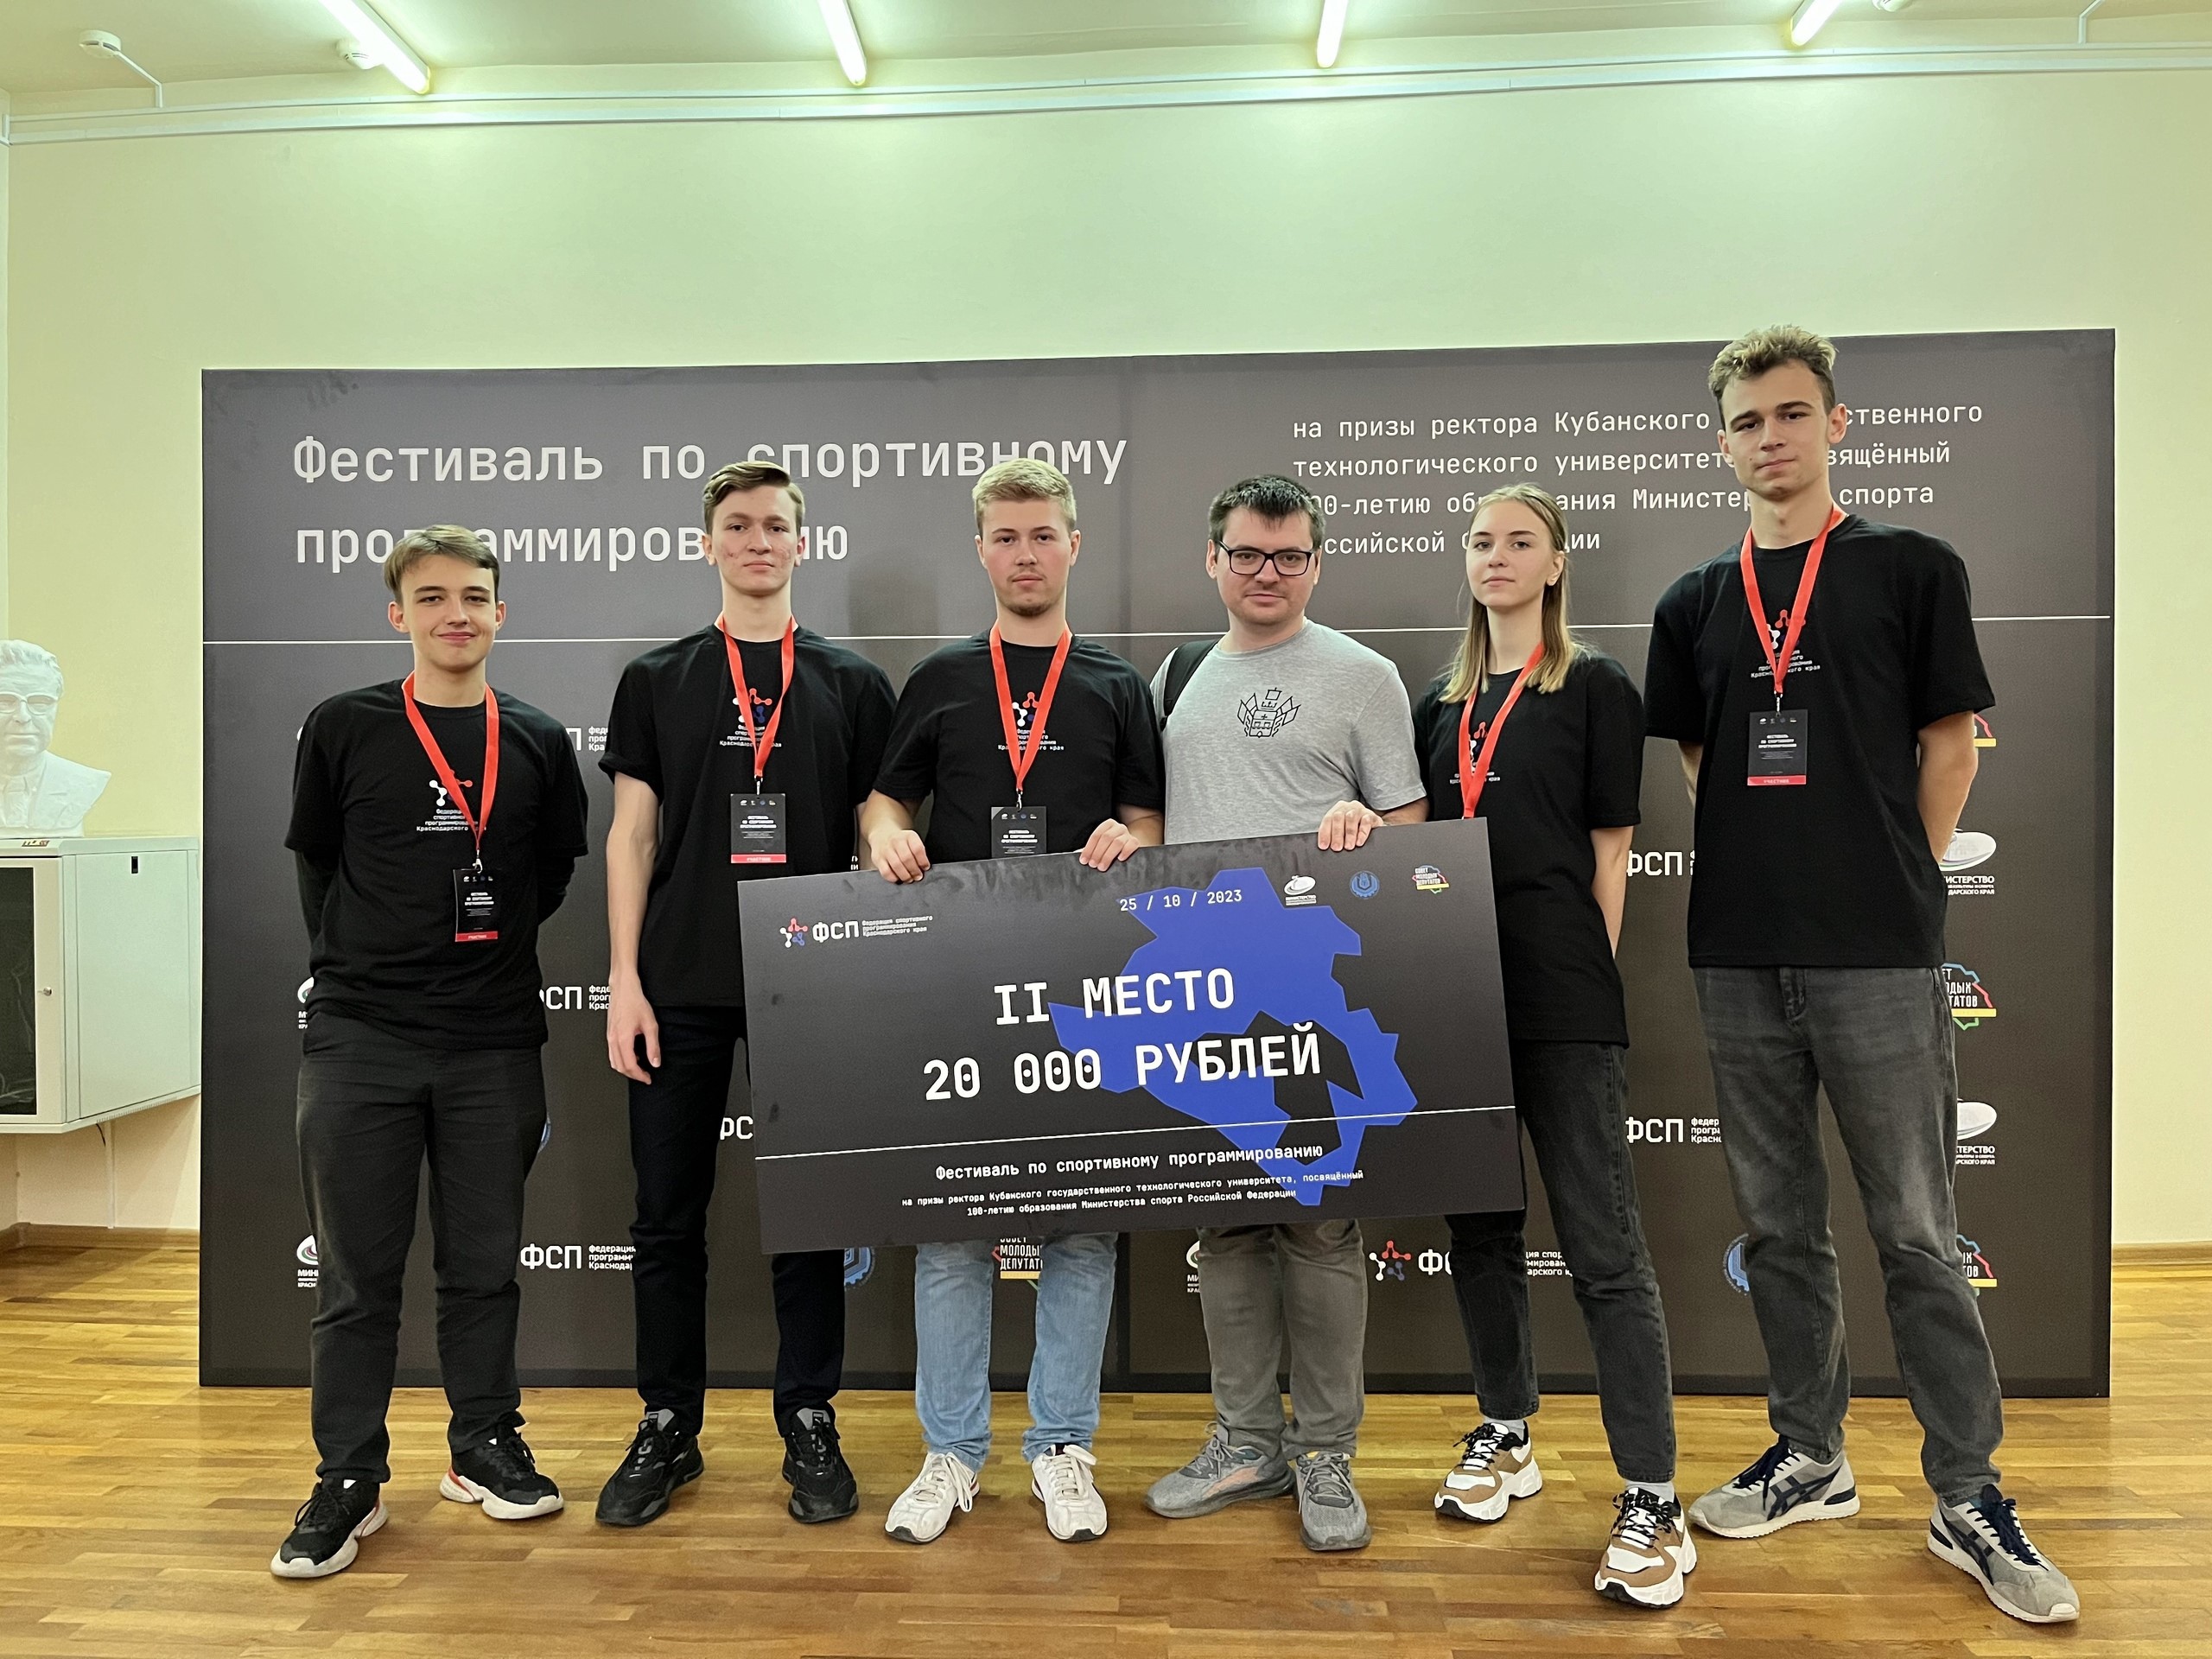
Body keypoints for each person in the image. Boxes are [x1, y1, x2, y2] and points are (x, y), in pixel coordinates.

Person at [1644, 325, 2078, 1625]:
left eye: (1790, 414)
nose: (1768, 438)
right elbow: (1700, 765)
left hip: (1879, 954)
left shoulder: (1910, 568)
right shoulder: (1693, 602)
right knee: (1779, 1227)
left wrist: (1899, 879)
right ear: (1722, 444)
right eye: (1746, 421)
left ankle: (1968, 1493)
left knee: (1917, 1233)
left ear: (1835, 424)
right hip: (1738, 951)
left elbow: (1951, 746)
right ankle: (1810, 1455)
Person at [274, 527, 589, 1579]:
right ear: (397, 613)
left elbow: (548, 877)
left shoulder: (536, 738)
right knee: (355, 1280)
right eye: (432, 596)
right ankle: (348, 1478)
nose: (456, 613)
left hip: (491, 1041)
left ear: (501, 612)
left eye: (474, 596)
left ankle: (482, 1445)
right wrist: (363, 965)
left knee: (483, 1267)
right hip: (360, 1039)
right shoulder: (344, 726)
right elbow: (318, 865)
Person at [861, 458, 1165, 1545]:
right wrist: (886, 836)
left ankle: (1062, 1447)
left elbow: (1149, 824)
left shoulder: (1117, 684)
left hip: (1088, 988)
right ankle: (950, 1453)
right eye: (1005, 536)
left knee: (1081, 1227)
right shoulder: (941, 678)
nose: (1025, 553)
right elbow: (886, 799)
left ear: (1073, 545)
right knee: (951, 1230)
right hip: (959, 982)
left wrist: (1131, 837)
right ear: (981, 550)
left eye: (1043, 535)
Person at [594, 461, 895, 1529]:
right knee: (665, 1219)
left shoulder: (853, 683)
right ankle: (667, 1423)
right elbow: (631, 838)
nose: (757, 540)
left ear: (801, 543)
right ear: (708, 543)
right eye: (737, 525)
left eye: (774, 524)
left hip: (807, 983)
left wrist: (885, 843)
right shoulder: (656, 678)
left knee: (810, 1213)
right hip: (676, 980)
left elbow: (876, 818)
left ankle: (808, 1417)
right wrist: (622, 980)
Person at [1410, 484, 1686, 1607]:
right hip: (1456, 1001)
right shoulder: (1440, 704)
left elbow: (1611, 855)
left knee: (1604, 1252)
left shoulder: (1598, 686)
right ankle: (1506, 1432)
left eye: (1520, 541)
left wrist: (1587, 979)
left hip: (1563, 999)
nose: (1497, 557)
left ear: (1557, 563)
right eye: (1481, 541)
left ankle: (1653, 1496)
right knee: (1481, 1234)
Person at [1142, 474, 1427, 1554]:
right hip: (1201, 985)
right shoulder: (1175, 677)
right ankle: (1245, 1443)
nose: (1268, 572)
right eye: (1248, 554)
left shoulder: (1363, 676)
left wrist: (1368, 824)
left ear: (1316, 563)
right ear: (1212, 560)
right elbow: (1153, 827)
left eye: (1289, 555)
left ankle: (1326, 1455)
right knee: (1225, 1221)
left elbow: (1413, 834)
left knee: (1318, 1223)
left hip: (1316, 986)